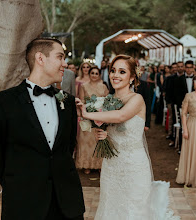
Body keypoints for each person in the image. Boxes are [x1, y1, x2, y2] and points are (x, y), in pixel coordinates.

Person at [0, 38, 85, 219]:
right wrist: (16, 183)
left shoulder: (68, 101)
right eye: (60, 57)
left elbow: (68, 146)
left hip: (65, 202)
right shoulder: (3, 102)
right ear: (41, 58)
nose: (65, 63)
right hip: (24, 202)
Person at [76, 55, 179, 220]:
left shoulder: (136, 99)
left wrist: (87, 113)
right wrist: (102, 135)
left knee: (134, 211)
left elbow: (120, 116)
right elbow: (111, 128)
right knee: (110, 206)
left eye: (122, 72)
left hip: (133, 166)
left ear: (132, 77)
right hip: (111, 165)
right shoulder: (108, 100)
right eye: (113, 71)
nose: (115, 75)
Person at [76, 66, 108, 174]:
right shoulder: (83, 86)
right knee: (86, 142)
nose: (94, 75)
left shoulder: (103, 86)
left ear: (99, 75)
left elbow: (107, 102)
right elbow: (81, 101)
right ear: (89, 74)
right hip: (88, 117)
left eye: (96, 73)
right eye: (92, 73)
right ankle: (86, 165)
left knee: (98, 141)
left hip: (100, 118)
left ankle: (99, 165)